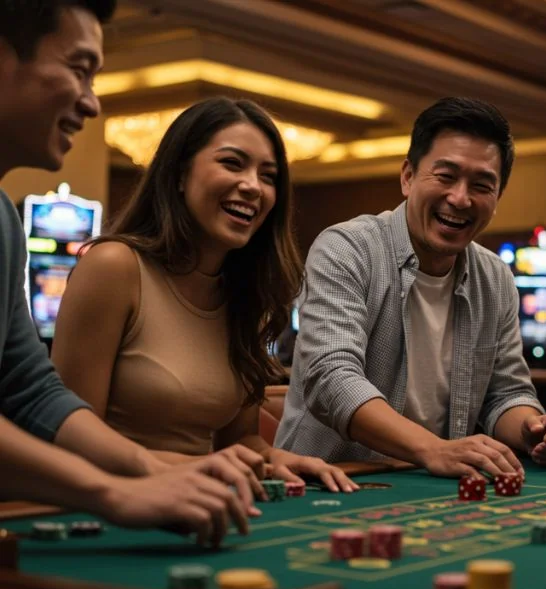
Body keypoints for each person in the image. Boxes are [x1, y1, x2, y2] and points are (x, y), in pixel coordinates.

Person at [0, 0, 264, 546]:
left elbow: (32, 392)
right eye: (79, 69)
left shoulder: (4, 215)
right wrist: (112, 492)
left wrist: (152, 471)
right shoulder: (113, 265)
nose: (93, 103)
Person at [51, 97, 357, 493]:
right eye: (232, 163)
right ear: (179, 174)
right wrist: (206, 465)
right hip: (112, 502)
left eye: (268, 176)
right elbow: (68, 434)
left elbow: (240, 441)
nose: (252, 186)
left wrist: (278, 458)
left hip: (204, 498)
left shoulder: (247, 295)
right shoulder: (114, 267)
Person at [275, 97, 546, 478]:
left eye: (481, 185)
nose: (460, 198)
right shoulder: (346, 248)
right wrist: (433, 450)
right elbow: (332, 377)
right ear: (408, 176)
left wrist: (534, 428)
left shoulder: (495, 277)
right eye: (445, 177)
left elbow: (506, 393)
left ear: (497, 198)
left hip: (434, 486)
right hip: (331, 481)